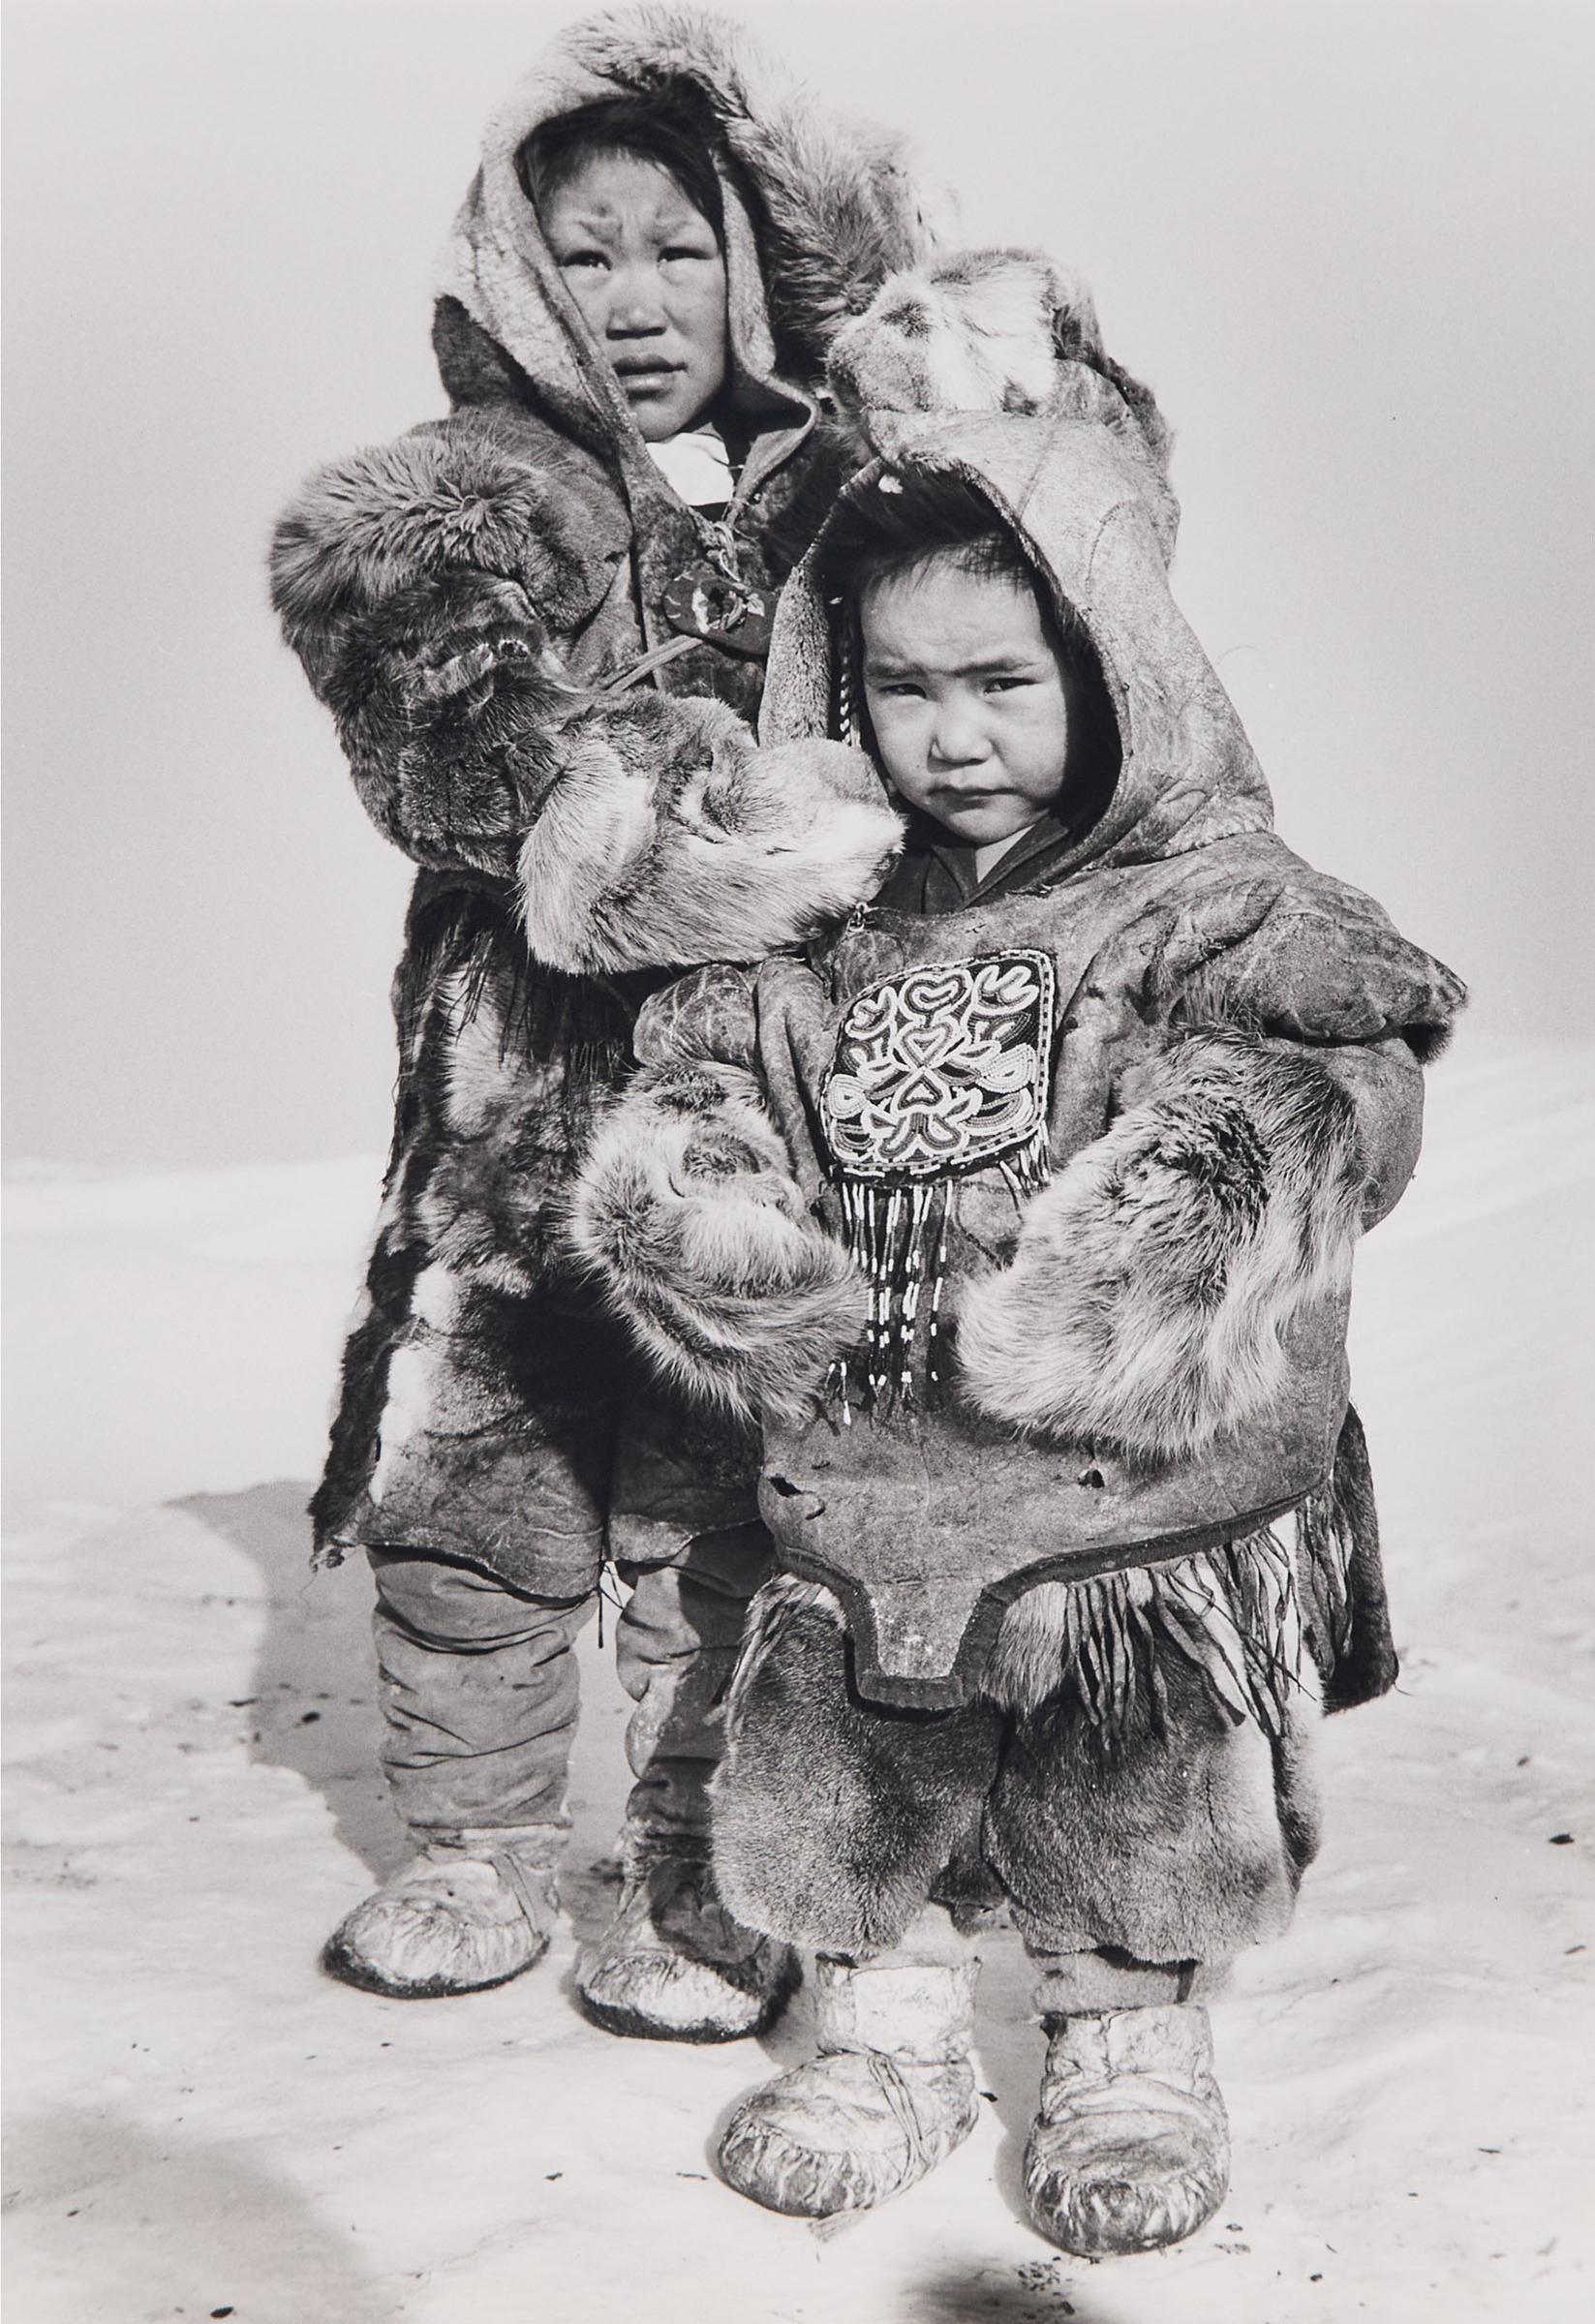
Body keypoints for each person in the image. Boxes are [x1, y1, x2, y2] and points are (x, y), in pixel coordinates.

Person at [570, 386, 1464, 2249]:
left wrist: (1204, 1198)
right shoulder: (820, 920)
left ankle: (1127, 2040)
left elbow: (1349, 1063)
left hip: (1122, 1496)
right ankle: (887, 2019)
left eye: (1003, 680)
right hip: (873, 1468)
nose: (952, 736)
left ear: (1115, 665)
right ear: (840, 692)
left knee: (1129, 1775)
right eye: (902, 689)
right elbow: (700, 1066)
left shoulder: (1212, 901)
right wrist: (707, 1196)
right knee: (848, 1756)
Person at [266, 6, 922, 2032]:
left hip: (768, 1119)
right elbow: (458, 750)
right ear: (514, 276)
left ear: (755, 255)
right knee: (485, 1495)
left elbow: (1027, 663)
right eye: (585, 254)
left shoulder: (858, 489)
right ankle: (467, 1854)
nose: (632, 300)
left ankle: (675, 1873)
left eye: (673, 245)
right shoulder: (469, 494)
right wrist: (739, 817)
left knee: (717, 1516)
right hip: (525, 1112)